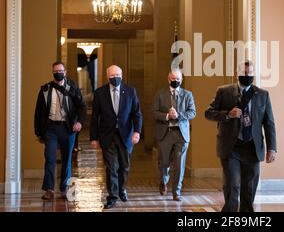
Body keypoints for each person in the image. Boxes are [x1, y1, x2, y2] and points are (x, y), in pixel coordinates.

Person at [205, 61, 277, 212]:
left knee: (249, 187)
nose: (248, 75)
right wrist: (228, 114)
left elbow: (269, 123)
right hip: (231, 147)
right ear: (237, 73)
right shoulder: (224, 92)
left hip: (252, 147)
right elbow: (209, 113)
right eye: (245, 73)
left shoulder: (262, 95)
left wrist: (272, 148)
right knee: (232, 185)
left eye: (251, 73)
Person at [90, 65, 143, 209]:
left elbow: (136, 114)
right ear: (108, 77)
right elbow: (95, 117)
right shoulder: (100, 93)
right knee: (111, 167)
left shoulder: (131, 91)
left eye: (118, 75)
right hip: (107, 136)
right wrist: (93, 138)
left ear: (122, 75)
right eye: (112, 76)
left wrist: (137, 132)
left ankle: (122, 189)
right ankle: (112, 196)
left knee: (124, 166)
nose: (115, 78)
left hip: (126, 135)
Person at [34, 62, 86, 201]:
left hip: (68, 128)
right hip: (51, 128)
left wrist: (79, 122)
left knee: (66, 159)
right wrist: (38, 132)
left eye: (60, 70)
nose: (58, 73)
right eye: (55, 71)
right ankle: (49, 189)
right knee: (50, 159)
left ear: (65, 71)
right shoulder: (45, 89)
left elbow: (82, 106)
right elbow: (38, 112)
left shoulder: (72, 88)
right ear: (52, 72)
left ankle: (64, 188)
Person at [153, 69, 196, 201]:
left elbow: (192, 112)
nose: (175, 81)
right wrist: (167, 116)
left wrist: (179, 116)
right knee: (164, 162)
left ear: (181, 80)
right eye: (173, 78)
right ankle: (164, 180)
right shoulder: (160, 94)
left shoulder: (188, 94)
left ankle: (176, 192)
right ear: (168, 79)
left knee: (179, 165)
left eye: (178, 79)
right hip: (165, 133)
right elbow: (154, 112)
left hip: (181, 134)